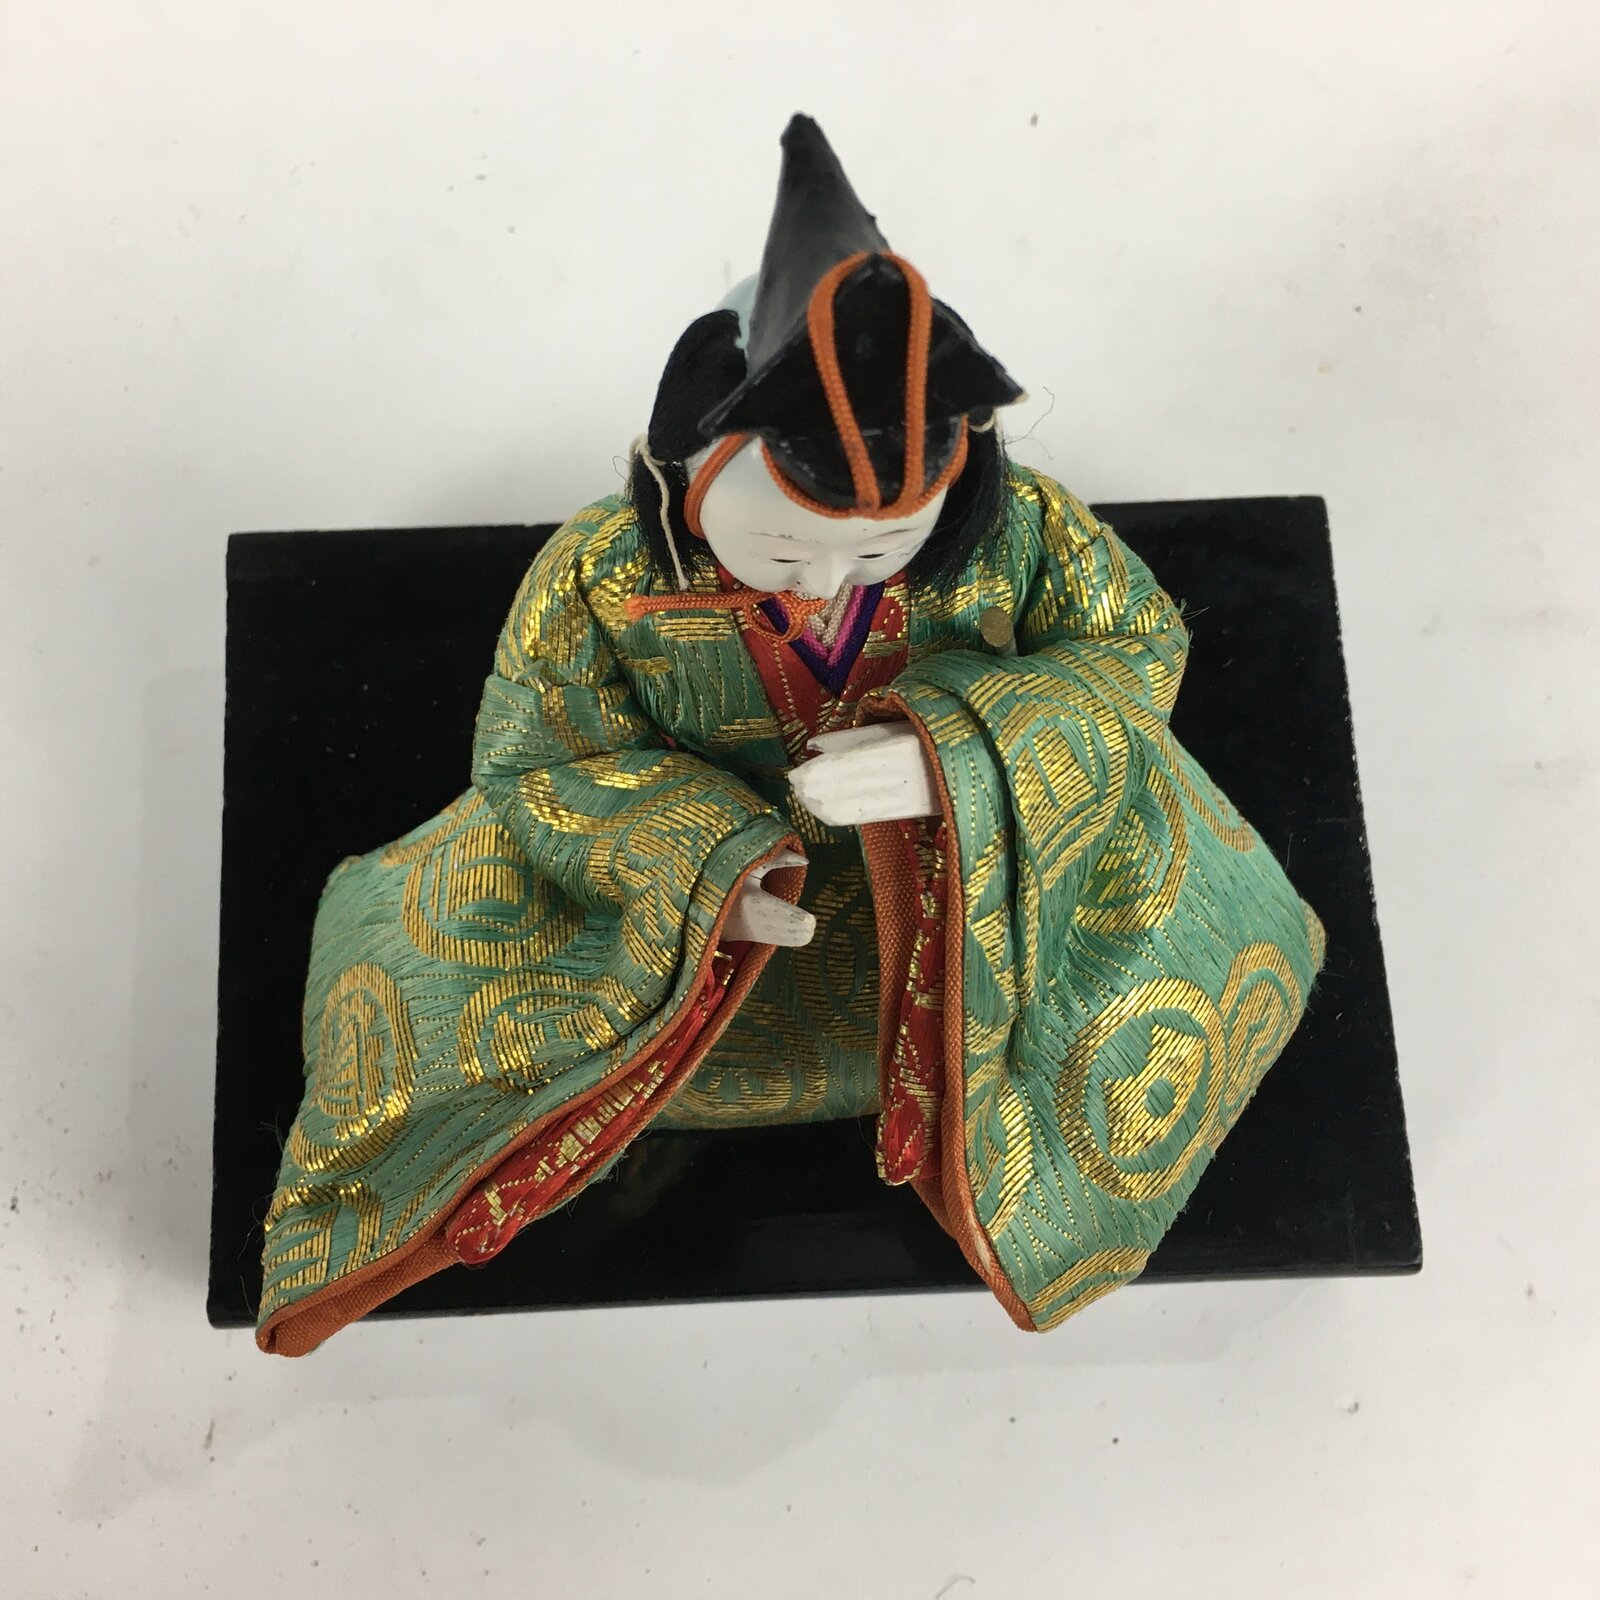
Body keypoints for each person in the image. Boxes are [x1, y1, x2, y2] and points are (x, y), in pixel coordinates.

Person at [257, 115, 1322, 1356]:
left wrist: (963, 758)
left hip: (976, 889)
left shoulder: (1021, 533)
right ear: (684, 478)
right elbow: (537, 761)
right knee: (454, 997)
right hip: (718, 936)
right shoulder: (603, 576)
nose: (822, 582)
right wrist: (703, 873)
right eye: (779, 548)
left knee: (1175, 932)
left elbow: (1133, 647)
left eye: (875, 553)